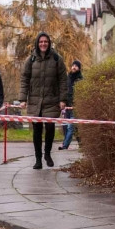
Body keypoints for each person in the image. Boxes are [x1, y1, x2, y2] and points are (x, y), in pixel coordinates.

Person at [17, 32, 68, 169]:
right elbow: (24, 79)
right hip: (35, 101)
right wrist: (22, 98)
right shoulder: (31, 60)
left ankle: (47, 153)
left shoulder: (57, 59)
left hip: (51, 100)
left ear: (49, 43)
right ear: (37, 44)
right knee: (37, 131)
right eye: (41, 42)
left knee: (50, 128)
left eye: (45, 41)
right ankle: (38, 159)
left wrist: (63, 99)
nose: (43, 44)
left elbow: (64, 80)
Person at [60, 60, 83, 150]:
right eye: (73, 65)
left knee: (71, 126)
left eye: (76, 66)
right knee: (68, 126)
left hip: (75, 106)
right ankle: (81, 143)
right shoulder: (68, 78)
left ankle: (65, 145)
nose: (74, 67)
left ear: (79, 68)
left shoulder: (80, 79)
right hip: (67, 106)